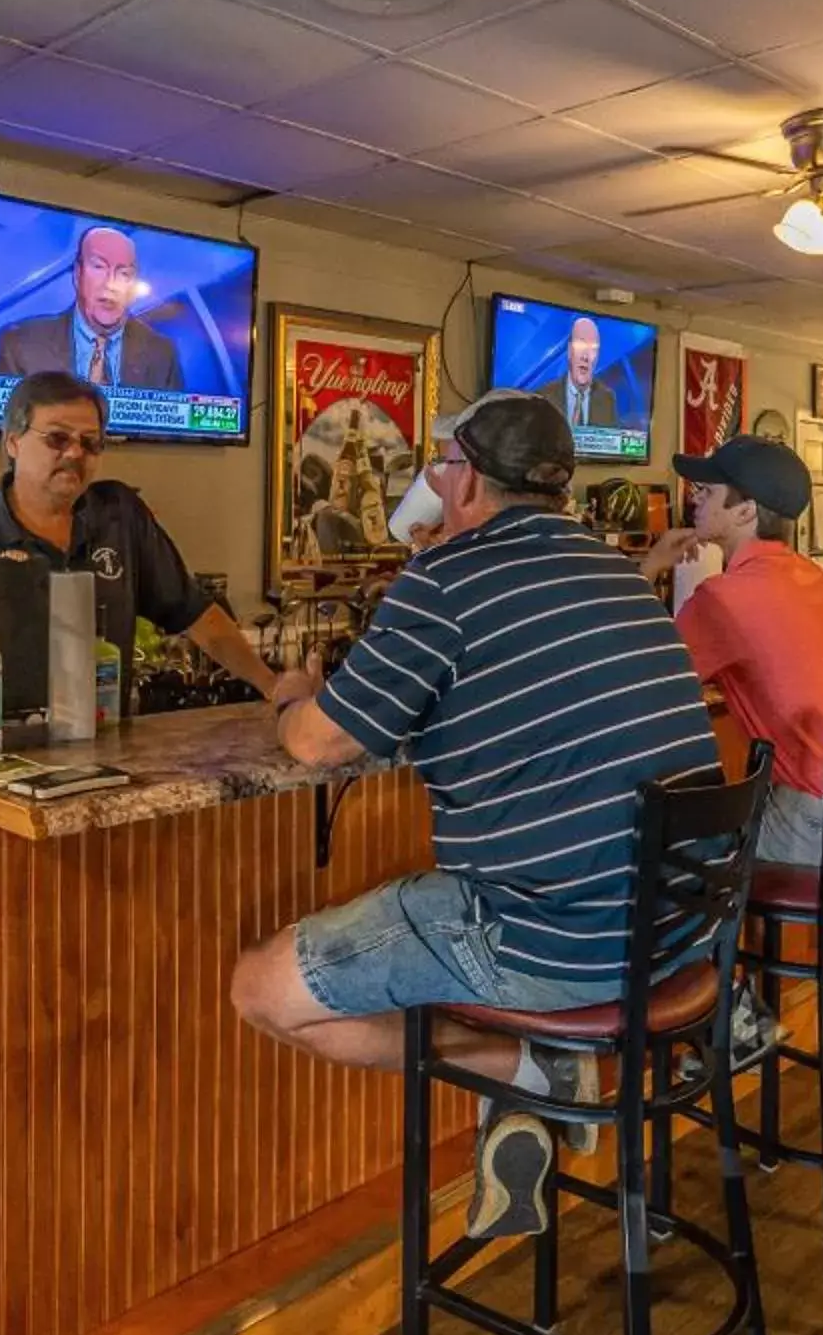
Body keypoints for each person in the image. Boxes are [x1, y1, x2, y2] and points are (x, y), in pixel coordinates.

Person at [234, 391, 721, 1239]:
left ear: (463, 482)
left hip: (552, 940)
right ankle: (545, 1074)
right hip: (680, 933)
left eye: (442, 466)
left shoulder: (444, 582)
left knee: (263, 991)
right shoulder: (620, 571)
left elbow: (318, 744)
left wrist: (290, 696)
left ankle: (530, 1065)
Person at [0, 371, 275, 699]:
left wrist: (271, 684)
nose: (74, 454)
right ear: (13, 441)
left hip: (106, 739)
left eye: (90, 442)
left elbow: (194, 613)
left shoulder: (119, 514)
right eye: (57, 438)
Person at [641, 434, 823, 866]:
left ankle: (715, 937)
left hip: (816, 821)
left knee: (663, 847)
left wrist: (650, 568)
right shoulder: (809, 574)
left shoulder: (722, 599)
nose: (695, 498)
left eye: (708, 491)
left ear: (745, 511)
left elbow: (644, 678)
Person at [0, 225, 180, 389]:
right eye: (99, 267)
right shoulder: (21, 344)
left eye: (124, 273)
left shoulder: (161, 353)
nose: (111, 284)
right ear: (77, 273)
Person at [530, 315, 616, 428]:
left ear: (598, 357)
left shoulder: (607, 399)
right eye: (581, 345)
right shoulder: (544, 397)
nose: (585, 356)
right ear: (570, 350)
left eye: (593, 348)